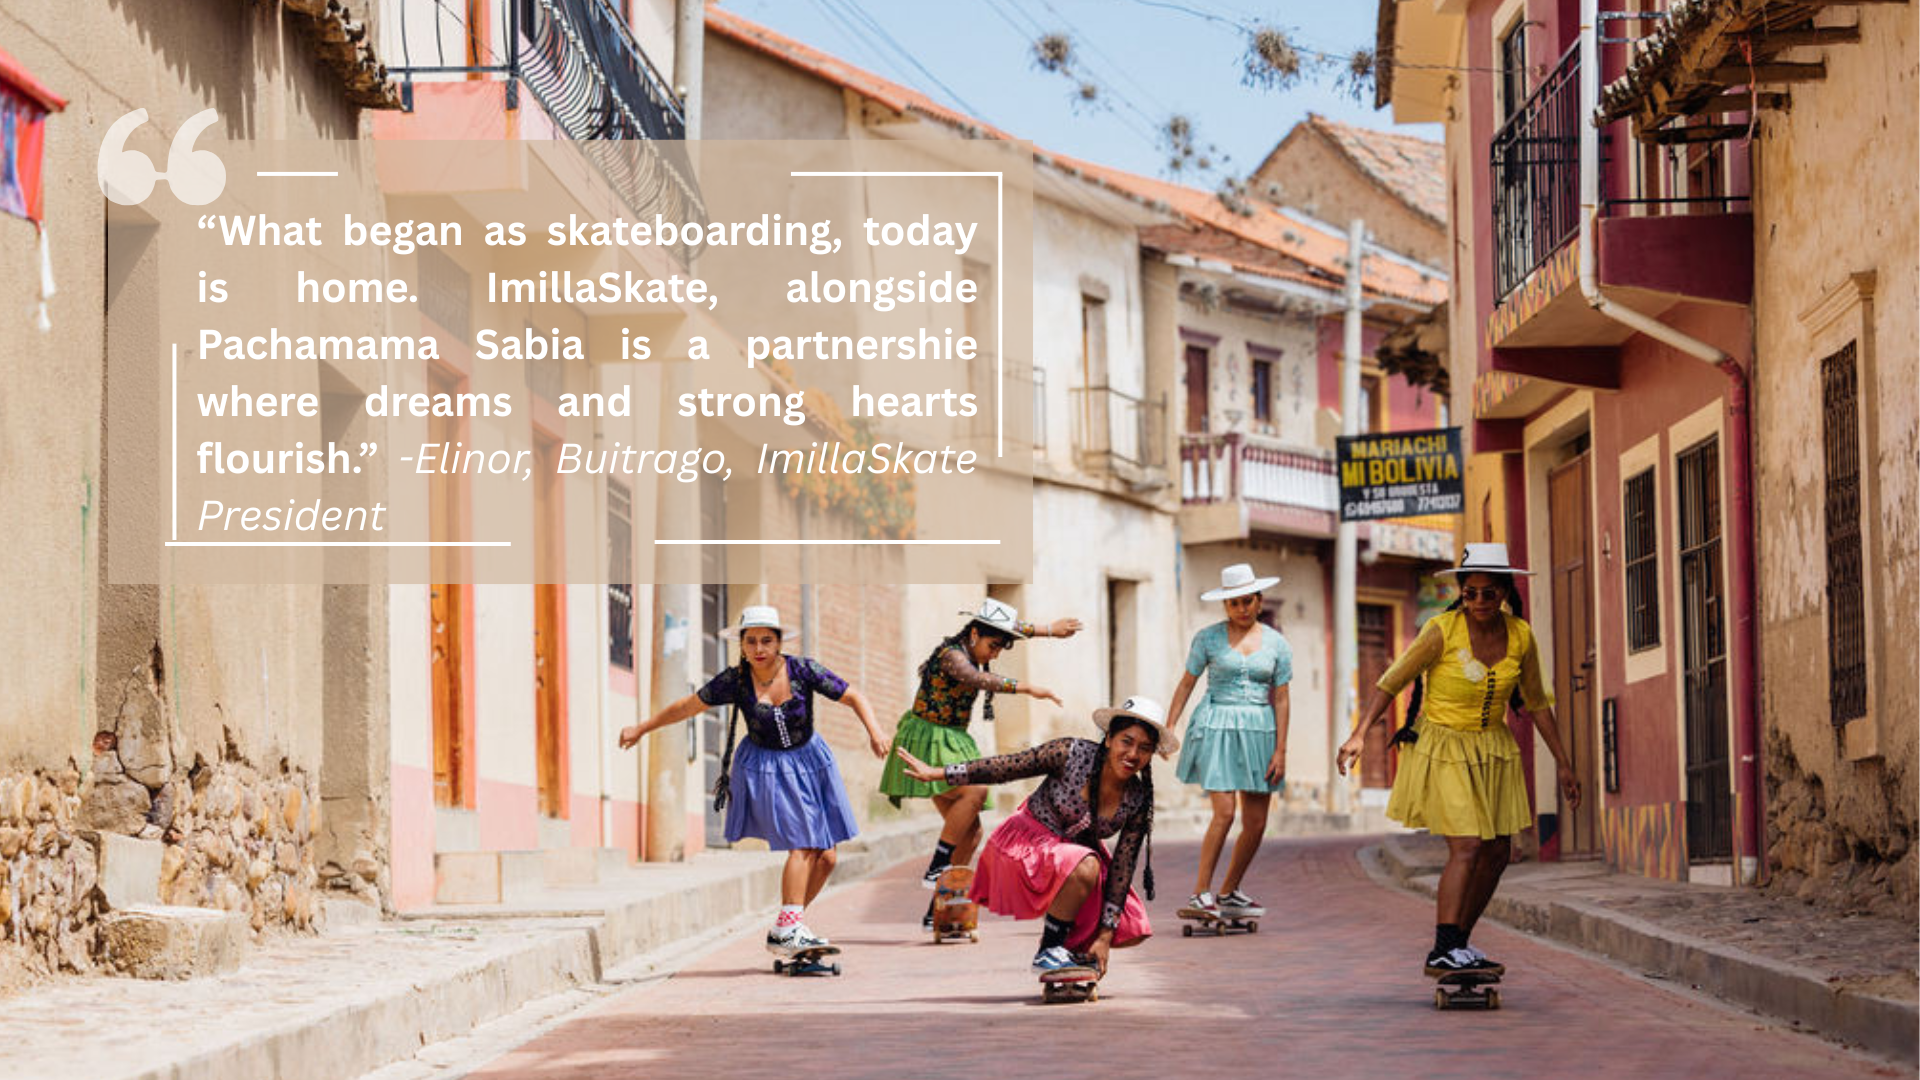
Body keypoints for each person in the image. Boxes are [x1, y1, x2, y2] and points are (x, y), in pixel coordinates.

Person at [1335, 543, 1581, 978]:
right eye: (1471, 593)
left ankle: (1457, 944)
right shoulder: (1441, 630)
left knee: (1499, 851)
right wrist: (1358, 734)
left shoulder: (1521, 635)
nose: (1481, 601)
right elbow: (1391, 682)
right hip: (1444, 747)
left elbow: (1538, 702)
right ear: (1461, 593)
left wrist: (1563, 762)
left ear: (1505, 590)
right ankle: (1443, 946)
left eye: (1490, 593)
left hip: (1493, 749)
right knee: (1466, 845)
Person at [618, 605, 888, 957]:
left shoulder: (803, 670)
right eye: (751, 641)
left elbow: (853, 696)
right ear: (742, 645)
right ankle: (790, 928)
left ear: (778, 643)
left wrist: (875, 731)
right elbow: (687, 706)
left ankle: (787, 926)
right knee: (804, 843)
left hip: (810, 761)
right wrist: (642, 728)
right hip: (767, 767)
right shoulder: (736, 680)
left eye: (766, 640)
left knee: (827, 858)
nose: (758, 648)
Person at [893, 696, 1169, 976]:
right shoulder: (1070, 753)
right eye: (1127, 741)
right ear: (1109, 738)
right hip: (1026, 843)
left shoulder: (1138, 796)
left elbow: (1123, 865)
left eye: (1144, 748)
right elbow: (1008, 766)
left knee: (1131, 924)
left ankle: (1071, 949)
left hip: (1072, 858)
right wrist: (941, 773)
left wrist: (1105, 937)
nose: (1133, 754)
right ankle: (1049, 950)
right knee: (1086, 865)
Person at [876, 598, 1081, 928]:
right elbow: (976, 679)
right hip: (928, 738)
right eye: (992, 646)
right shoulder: (952, 656)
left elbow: (1015, 628)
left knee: (971, 835)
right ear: (973, 634)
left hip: (954, 739)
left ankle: (938, 909)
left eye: (1001, 648)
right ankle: (937, 864)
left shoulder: (977, 642)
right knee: (975, 791)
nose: (995, 654)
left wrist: (1049, 631)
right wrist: (1028, 688)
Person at [1164, 563, 1292, 924]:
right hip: (1217, 723)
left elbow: (1281, 698)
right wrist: (1170, 725)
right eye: (1233, 603)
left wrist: (1281, 749)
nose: (1241, 609)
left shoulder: (1277, 643)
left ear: (1259, 600)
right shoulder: (1207, 638)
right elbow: (1187, 683)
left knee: (1256, 822)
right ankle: (1200, 893)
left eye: (1247, 601)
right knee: (1224, 812)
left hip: (1261, 731)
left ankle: (1229, 892)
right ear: (1225, 606)